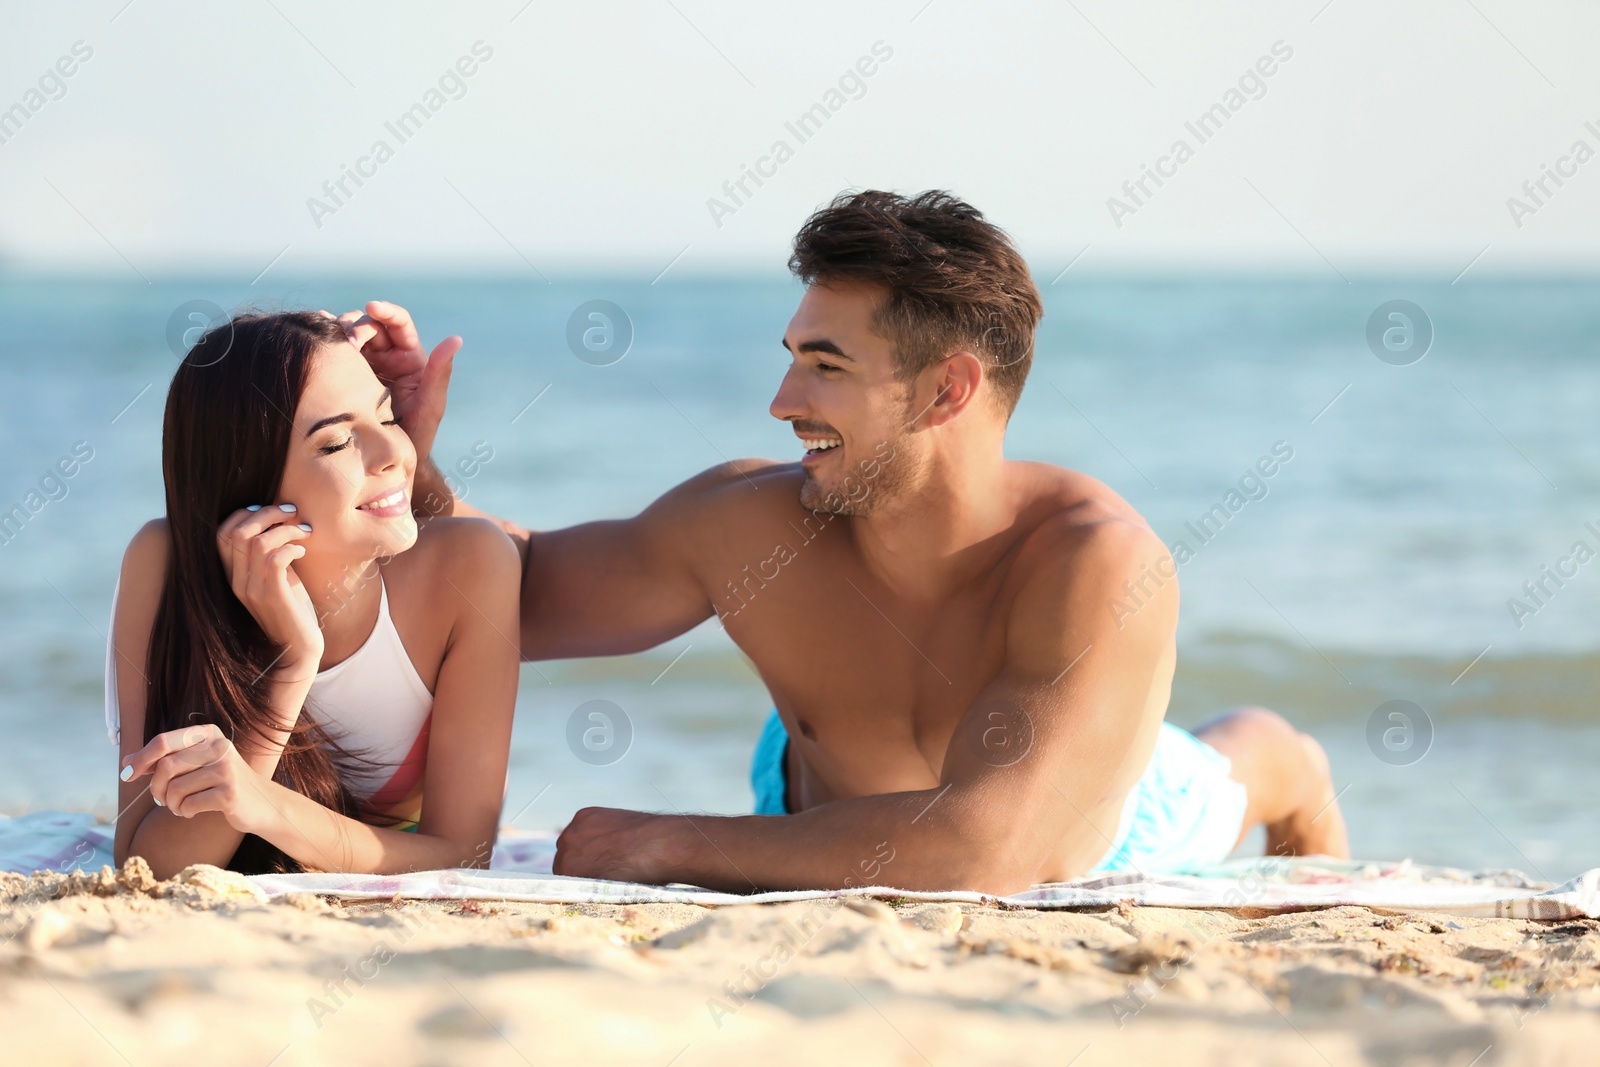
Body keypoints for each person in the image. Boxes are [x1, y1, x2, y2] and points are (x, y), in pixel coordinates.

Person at [350, 189, 1349, 895]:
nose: (783, 402)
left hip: (1091, 820)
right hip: (813, 784)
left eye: (826, 365)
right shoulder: (748, 522)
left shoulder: (1097, 565)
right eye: (791, 358)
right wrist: (403, 463)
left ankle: (1289, 760)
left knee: (1237, 766)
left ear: (946, 388)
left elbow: (987, 849)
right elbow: (501, 594)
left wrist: (660, 840)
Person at [108, 310, 520, 879]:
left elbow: (463, 856)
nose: (395, 454)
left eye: (386, 415)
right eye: (337, 442)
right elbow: (146, 867)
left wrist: (263, 805)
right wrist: (292, 665)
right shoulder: (164, 562)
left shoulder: (470, 566)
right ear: (250, 483)